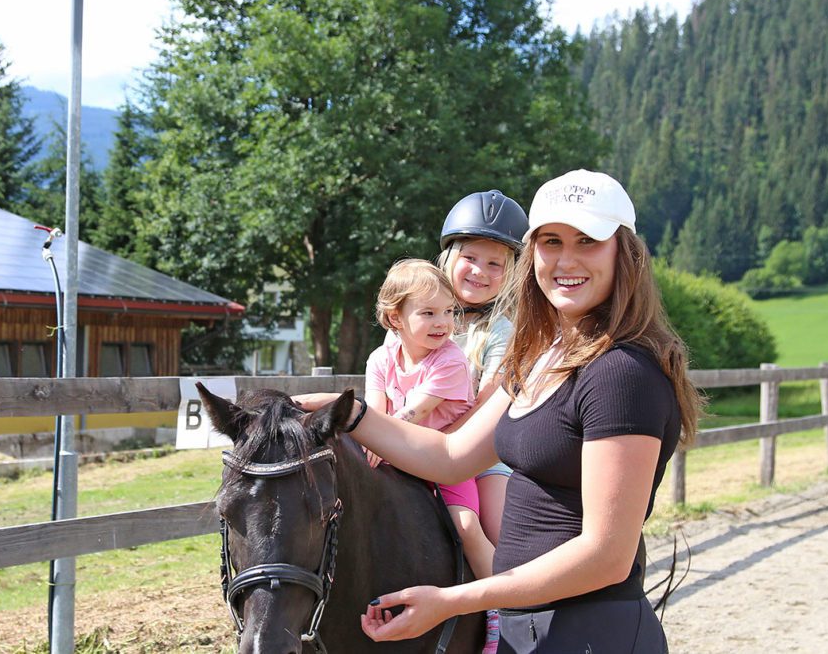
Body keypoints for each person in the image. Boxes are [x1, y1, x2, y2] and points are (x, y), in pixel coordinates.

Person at [298, 169, 702, 652]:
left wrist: (455, 600)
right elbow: (450, 454)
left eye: (587, 241)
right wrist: (350, 415)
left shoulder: (621, 373)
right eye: (551, 242)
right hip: (528, 629)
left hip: (587, 631)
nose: (565, 260)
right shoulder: (542, 355)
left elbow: (606, 556)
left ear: (625, 253)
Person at [364, 258, 497, 587]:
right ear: (396, 317)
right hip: (402, 453)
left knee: (465, 527)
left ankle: (501, 606)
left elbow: (412, 413)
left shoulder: (451, 361)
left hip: (446, 458)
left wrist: (381, 438)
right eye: (428, 313)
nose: (443, 323)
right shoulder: (380, 359)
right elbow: (374, 411)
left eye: (449, 312)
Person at [436, 189, 528, 549]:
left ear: (511, 274)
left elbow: (483, 410)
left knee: (499, 528)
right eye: (470, 257)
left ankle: (509, 601)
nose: (479, 271)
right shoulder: (417, 317)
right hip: (408, 441)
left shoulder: (502, 332)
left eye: (495, 264)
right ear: (450, 258)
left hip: (477, 455)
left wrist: (424, 445)